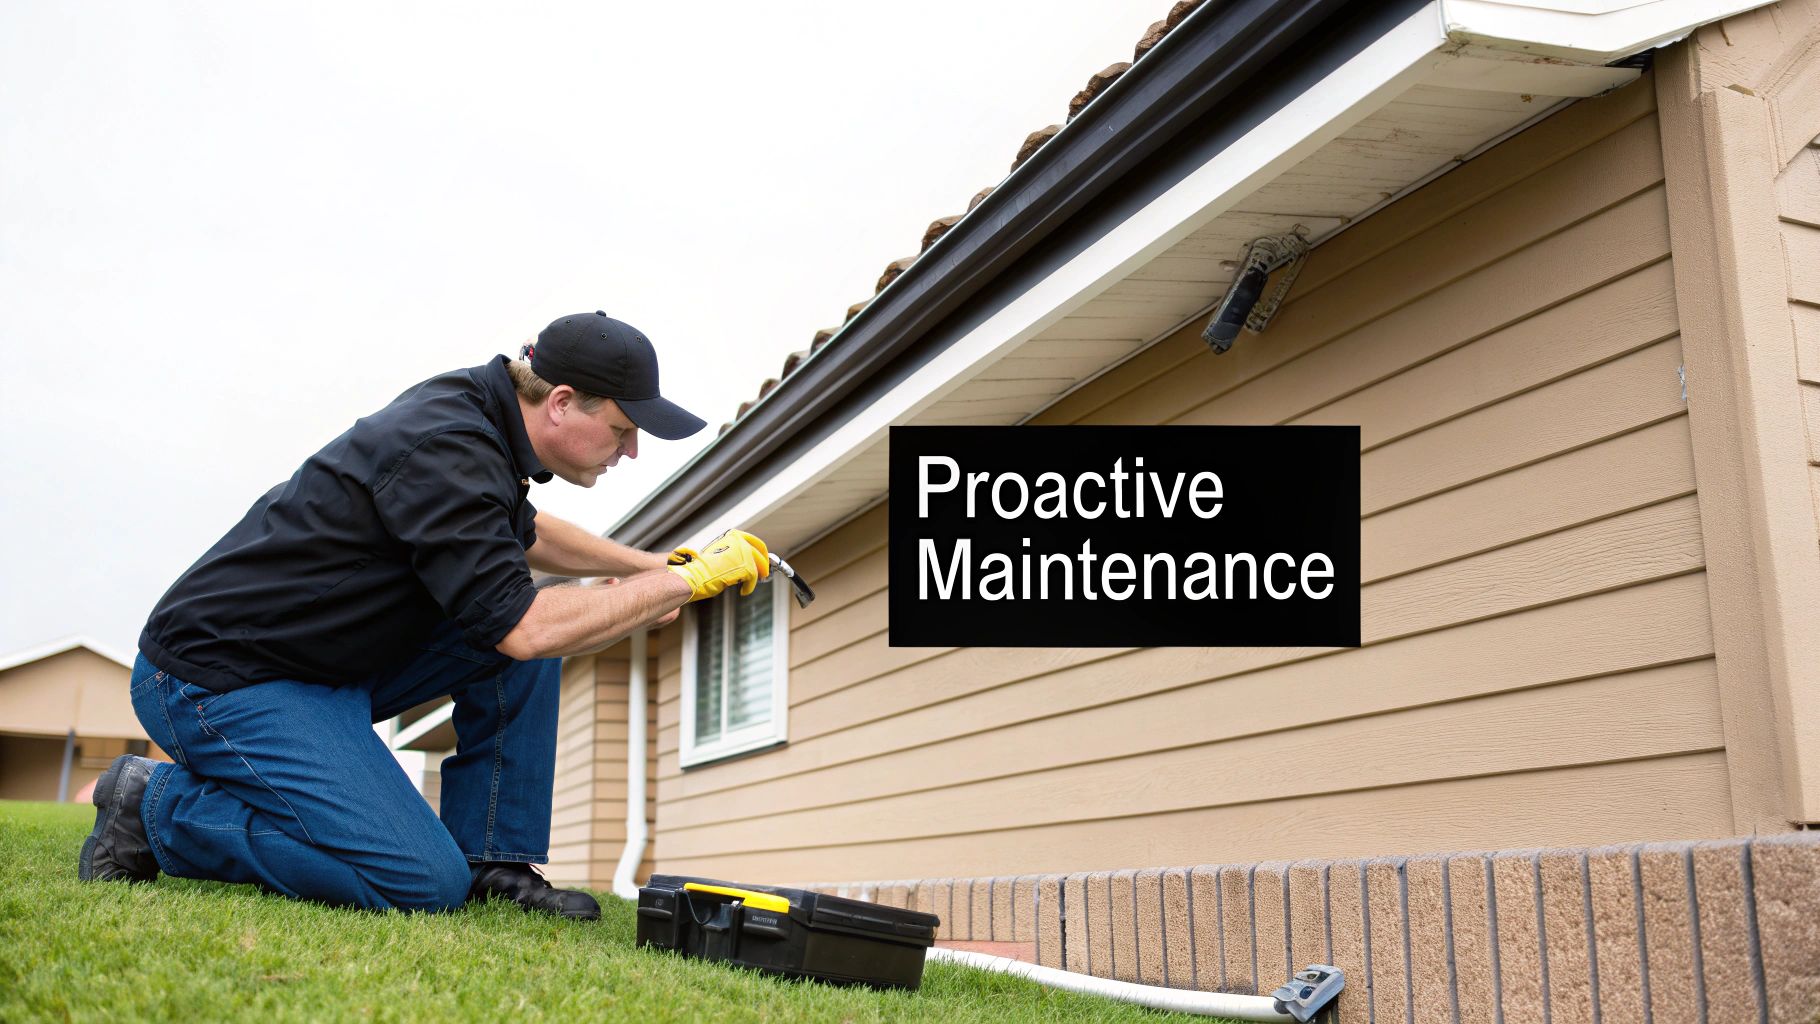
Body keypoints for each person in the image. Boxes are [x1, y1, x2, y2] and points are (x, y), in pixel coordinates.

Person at [78, 311, 771, 919]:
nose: (631, 450)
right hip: (219, 677)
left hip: (323, 664)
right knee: (414, 878)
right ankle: (156, 807)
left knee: (521, 635)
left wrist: (646, 568)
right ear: (561, 402)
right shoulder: (448, 445)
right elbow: (527, 628)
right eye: (621, 429)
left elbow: (524, 531)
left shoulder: (487, 421)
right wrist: (684, 585)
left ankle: (491, 863)